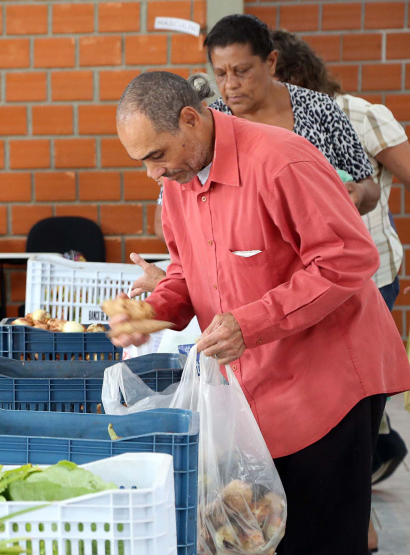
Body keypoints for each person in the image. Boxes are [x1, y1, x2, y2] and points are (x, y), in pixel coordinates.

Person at [113, 70, 410, 554]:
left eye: (157, 156)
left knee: (323, 539)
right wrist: (150, 312)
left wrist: (249, 322)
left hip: (329, 383)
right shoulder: (179, 185)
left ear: (191, 119)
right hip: (260, 385)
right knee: (265, 533)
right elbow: (186, 270)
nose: (153, 173)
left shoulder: (279, 160)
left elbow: (349, 258)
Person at [271, 28, 410, 551]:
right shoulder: (257, 123)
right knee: (332, 403)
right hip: (307, 283)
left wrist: (358, 192)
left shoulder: (354, 112)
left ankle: (360, 520)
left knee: (350, 396)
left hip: (368, 278)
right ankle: (377, 459)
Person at [135, 14, 380, 296]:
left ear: (271, 61)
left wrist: (358, 194)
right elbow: (167, 222)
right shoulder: (207, 127)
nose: (231, 85)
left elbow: (370, 186)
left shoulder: (319, 108)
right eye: (221, 73)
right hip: (248, 288)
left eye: (242, 71)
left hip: (326, 275)